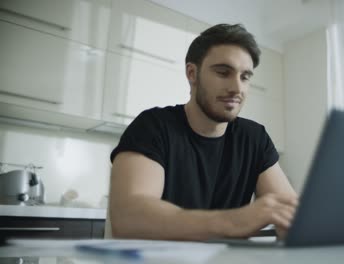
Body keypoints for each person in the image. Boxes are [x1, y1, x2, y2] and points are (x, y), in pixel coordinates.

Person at [108, 23, 297, 241]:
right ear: (192, 73)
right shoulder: (153, 126)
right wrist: (234, 221)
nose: (237, 88)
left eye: (245, 77)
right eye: (223, 72)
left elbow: (289, 212)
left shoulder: (254, 138)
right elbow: (129, 219)